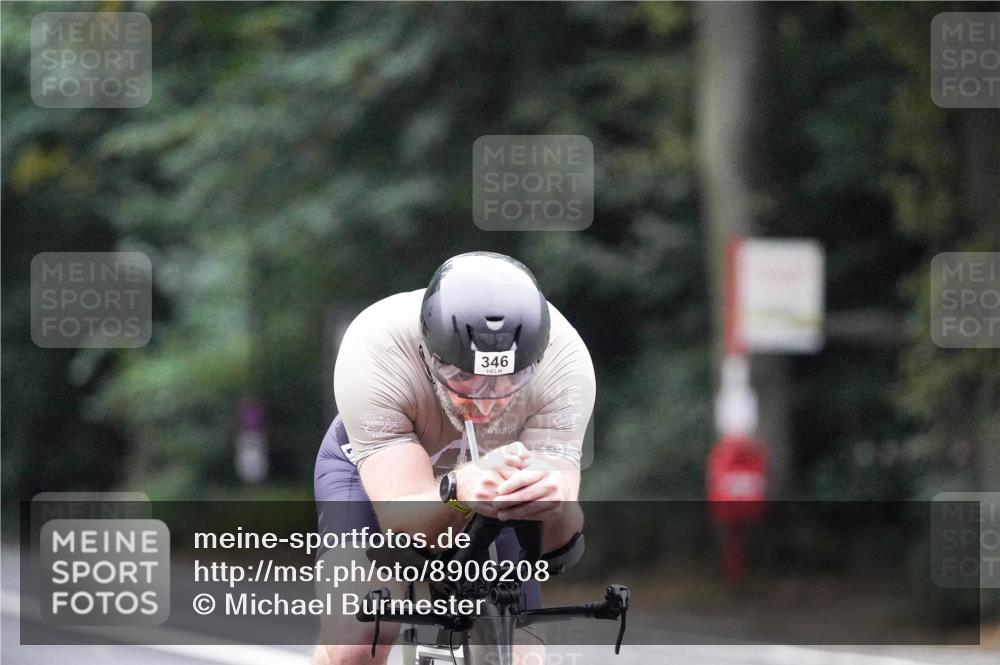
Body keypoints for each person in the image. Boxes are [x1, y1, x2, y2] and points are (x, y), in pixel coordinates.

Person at [312, 251, 595, 665]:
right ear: (428, 355)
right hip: (377, 479)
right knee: (360, 635)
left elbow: (558, 547)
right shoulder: (375, 346)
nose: (483, 405)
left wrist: (553, 505)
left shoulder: (565, 364)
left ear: (534, 364)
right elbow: (404, 525)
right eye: (462, 378)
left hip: (498, 487)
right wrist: (460, 490)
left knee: (523, 656)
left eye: (507, 381)